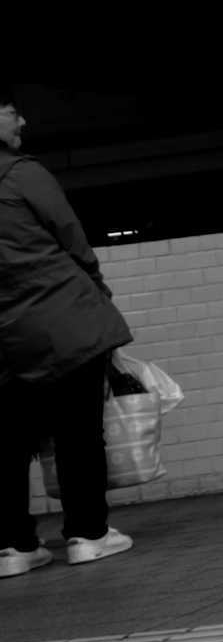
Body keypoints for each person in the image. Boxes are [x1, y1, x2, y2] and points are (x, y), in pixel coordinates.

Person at [0, 86, 136, 575]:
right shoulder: (23, 173)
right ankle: (88, 535)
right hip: (64, 323)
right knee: (78, 433)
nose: (22, 124)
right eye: (13, 114)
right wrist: (97, 288)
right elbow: (71, 239)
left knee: (8, 444)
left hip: (6, 344)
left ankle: (13, 547)